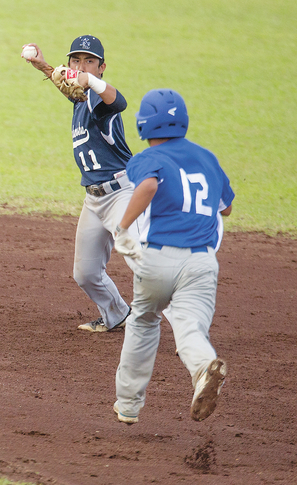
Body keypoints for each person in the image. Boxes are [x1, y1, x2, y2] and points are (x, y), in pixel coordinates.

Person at [111, 88, 235, 424]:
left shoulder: (145, 159)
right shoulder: (207, 157)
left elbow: (148, 186)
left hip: (159, 259)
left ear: (143, 125)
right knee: (190, 325)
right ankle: (202, 370)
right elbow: (226, 207)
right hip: (202, 263)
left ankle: (129, 405)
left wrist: (123, 228)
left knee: (143, 320)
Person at [22, 36, 138, 332]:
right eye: (75, 61)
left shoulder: (100, 99)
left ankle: (187, 334)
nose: (80, 66)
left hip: (122, 194)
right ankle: (117, 314)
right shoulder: (80, 98)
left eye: (89, 62)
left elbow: (119, 101)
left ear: (101, 68)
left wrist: (89, 80)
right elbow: (70, 87)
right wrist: (43, 66)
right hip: (94, 199)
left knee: (144, 264)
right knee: (85, 273)